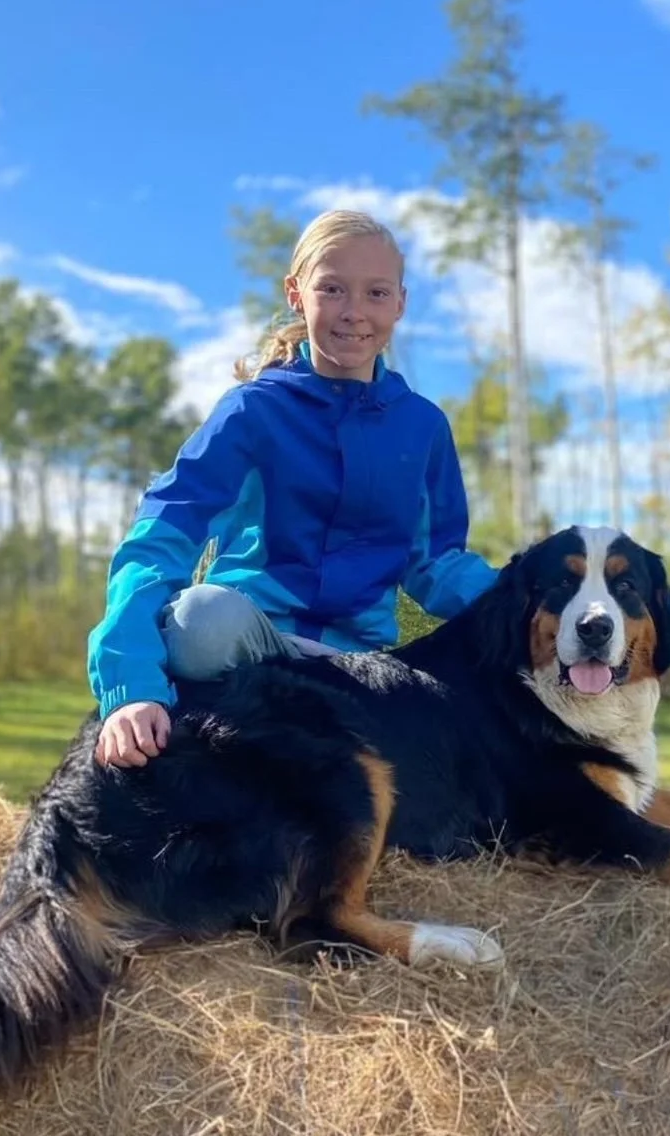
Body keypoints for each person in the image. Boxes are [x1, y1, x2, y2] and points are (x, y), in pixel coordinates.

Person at [88, 208, 498, 768]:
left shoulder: (423, 427)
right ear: (296, 294)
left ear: (400, 303)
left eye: (376, 293)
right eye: (332, 288)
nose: (355, 313)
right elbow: (161, 536)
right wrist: (130, 684)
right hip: (250, 648)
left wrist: (533, 600)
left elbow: (436, 564)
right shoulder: (252, 411)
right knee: (199, 621)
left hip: (362, 670)